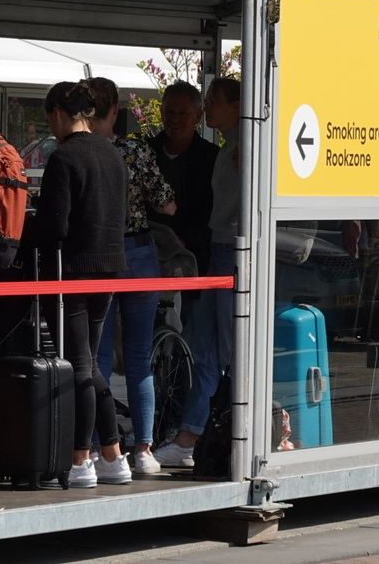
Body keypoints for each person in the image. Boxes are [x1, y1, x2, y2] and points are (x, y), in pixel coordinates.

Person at [33, 81, 129, 487]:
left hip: (73, 269)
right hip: (110, 267)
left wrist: (30, 229)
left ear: (58, 113)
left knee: (80, 364)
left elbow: (55, 226)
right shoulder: (113, 155)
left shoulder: (63, 158)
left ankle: (80, 459)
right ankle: (112, 453)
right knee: (88, 360)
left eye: (49, 118)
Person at [86, 77, 176, 476]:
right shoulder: (136, 150)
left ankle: (94, 447)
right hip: (140, 253)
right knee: (139, 357)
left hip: (99, 255)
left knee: (97, 356)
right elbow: (168, 205)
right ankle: (143, 449)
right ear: (115, 110)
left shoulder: (82, 152)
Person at [155, 77, 241, 468]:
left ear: (235, 105)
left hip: (230, 251)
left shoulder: (244, 147)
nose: (208, 108)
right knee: (204, 346)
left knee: (227, 347)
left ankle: (236, 429)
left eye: (212, 101)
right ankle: (189, 437)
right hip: (218, 250)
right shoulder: (228, 148)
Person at [148, 82, 218, 277]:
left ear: (198, 115)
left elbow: (213, 210)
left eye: (183, 113)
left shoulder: (212, 157)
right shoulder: (145, 152)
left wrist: (186, 239)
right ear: (161, 112)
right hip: (149, 257)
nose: (175, 119)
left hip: (196, 261)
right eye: (170, 112)